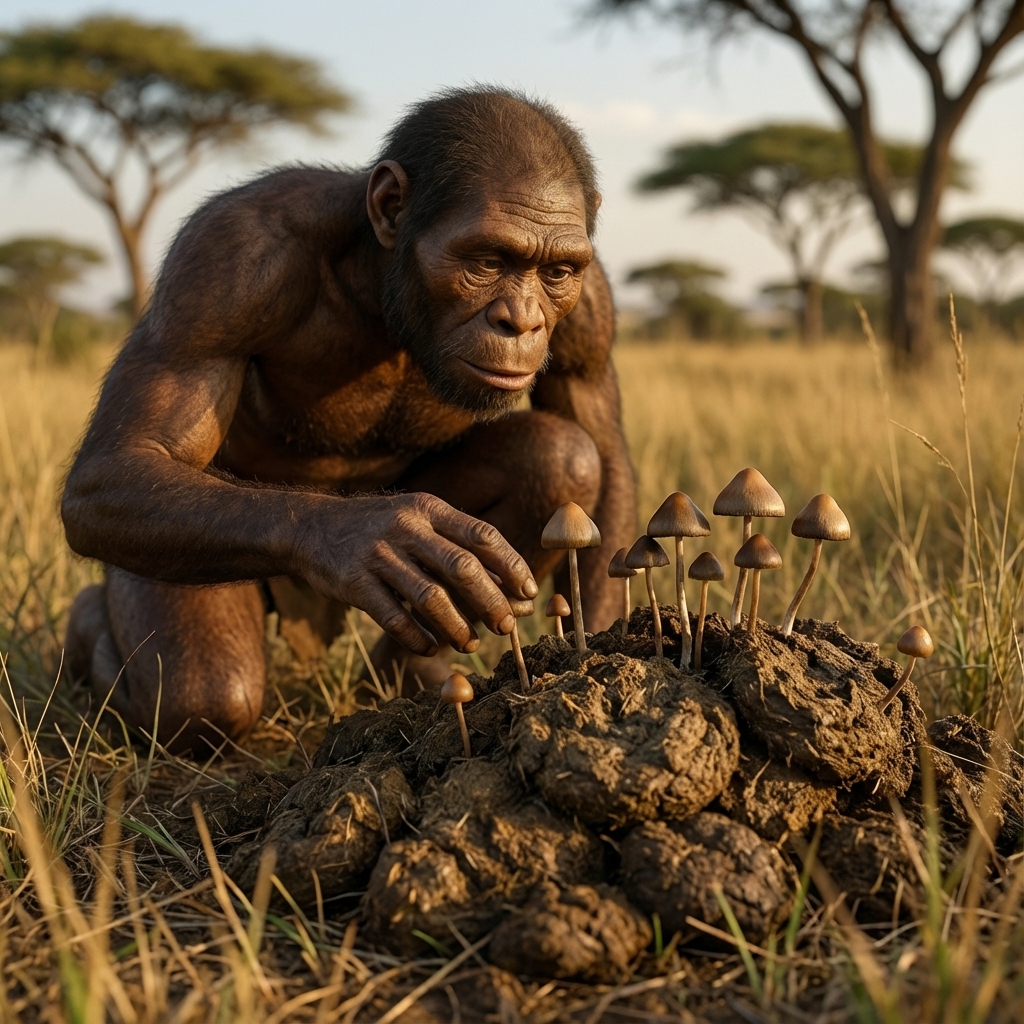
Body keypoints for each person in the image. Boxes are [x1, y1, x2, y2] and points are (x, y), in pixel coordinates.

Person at [61, 86, 637, 752]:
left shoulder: (574, 288)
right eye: (485, 260)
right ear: (392, 209)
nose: (524, 313)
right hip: (224, 516)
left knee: (565, 461)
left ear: (585, 224)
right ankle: (95, 631)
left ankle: (403, 667)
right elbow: (100, 491)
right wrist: (313, 528)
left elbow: (608, 463)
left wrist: (599, 675)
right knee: (205, 710)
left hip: (405, 517)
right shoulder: (259, 249)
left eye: (558, 269)